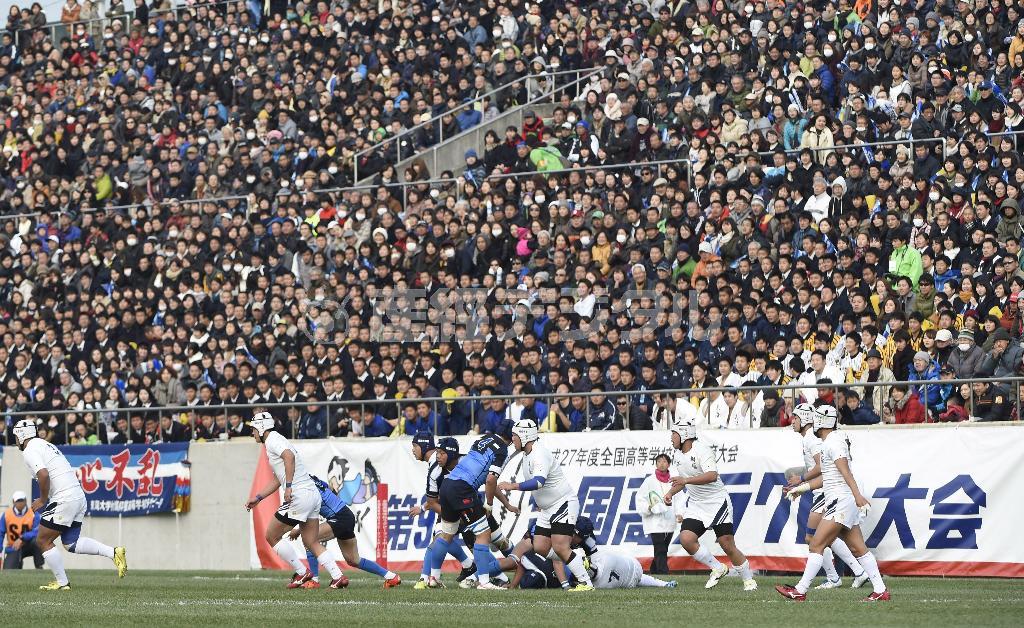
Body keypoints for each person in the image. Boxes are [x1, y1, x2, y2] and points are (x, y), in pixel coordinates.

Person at [778, 405, 890, 602]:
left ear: (820, 421)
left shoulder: (832, 443)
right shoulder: (830, 441)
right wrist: (800, 489)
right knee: (858, 549)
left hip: (840, 501)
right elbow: (828, 477)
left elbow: (845, 472)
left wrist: (857, 495)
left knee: (816, 544)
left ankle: (800, 590)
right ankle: (880, 590)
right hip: (841, 500)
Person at [11, 419, 127, 590]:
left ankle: (62, 582)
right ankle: (114, 552)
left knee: (42, 540)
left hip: (65, 497)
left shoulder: (30, 449)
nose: (15, 440)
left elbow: (43, 474)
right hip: (77, 496)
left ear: (22, 435)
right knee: (71, 543)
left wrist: (42, 499)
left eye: (15, 436)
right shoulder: (44, 444)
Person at [244, 412, 344, 589]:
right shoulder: (274, 441)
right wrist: (259, 498)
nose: (252, 433)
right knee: (311, 541)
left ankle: (301, 571)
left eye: (253, 429)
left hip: (300, 494)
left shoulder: (273, 439)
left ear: (261, 427)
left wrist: (289, 487)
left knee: (271, 535)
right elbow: (278, 479)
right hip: (311, 495)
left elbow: (289, 456)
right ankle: (338, 576)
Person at [498, 419, 594, 592]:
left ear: (525, 436)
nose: (512, 439)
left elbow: (539, 482)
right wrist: (539, 503)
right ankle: (577, 559)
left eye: (514, 435)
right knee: (540, 546)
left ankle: (585, 582)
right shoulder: (527, 454)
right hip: (548, 508)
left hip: (562, 503)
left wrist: (512, 486)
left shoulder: (539, 453)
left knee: (560, 546)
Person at [664, 422, 757, 592]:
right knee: (686, 539)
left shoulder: (702, 450)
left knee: (727, 544)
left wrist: (685, 481)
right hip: (696, 504)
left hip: (717, 501)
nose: (671, 438)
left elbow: (712, 476)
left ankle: (748, 580)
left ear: (684, 435)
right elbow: (682, 481)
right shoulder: (677, 455)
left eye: (674, 433)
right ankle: (718, 568)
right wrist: (670, 492)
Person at [789, 403, 868, 589]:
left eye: (796, 418)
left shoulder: (813, 440)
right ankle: (857, 573)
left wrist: (801, 481)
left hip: (829, 493)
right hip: (827, 492)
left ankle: (838, 576)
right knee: (824, 539)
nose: (792, 421)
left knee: (814, 539)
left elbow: (822, 468)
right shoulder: (810, 439)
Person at [432, 419, 519, 590]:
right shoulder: (502, 450)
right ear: (510, 436)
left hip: (448, 486)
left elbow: (489, 482)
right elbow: (490, 479)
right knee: (484, 534)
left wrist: (506, 505)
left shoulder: (483, 439)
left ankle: (432, 578)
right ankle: (484, 582)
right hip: (463, 489)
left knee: (447, 535)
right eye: (515, 435)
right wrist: (489, 504)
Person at [291, 474, 400, 589]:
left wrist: (298, 530)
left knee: (310, 541)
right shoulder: (311, 478)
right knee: (353, 560)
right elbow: (330, 489)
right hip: (346, 515)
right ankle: (391, 576)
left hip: (339, 518)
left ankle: (314, 581)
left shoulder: (302, 485)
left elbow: (308, 507)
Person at [409, 433, 476, 589]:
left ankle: (428, 578)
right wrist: (423, 507)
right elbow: (436, 497)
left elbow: (437, 498)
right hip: (456, 507)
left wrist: (450, 514)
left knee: (444, 539)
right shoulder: (436, 465)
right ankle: (429, 577)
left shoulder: (437, 466)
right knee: (441, 538)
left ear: (424, 446)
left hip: (466, 507)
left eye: (414, 446)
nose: (412, 450)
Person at [634, 453, 677, 574]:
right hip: (654, 520)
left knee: (663, 548)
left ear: (668, 464)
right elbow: (640, 497)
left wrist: (680, 513)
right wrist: (648, 507)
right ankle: (663, 572)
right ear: (656, 464)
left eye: (664, 462)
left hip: (669, 519)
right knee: (660, 547)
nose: (661, 464)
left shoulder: (674, 480)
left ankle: (654, 569)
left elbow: (679, 497)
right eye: (659, 462)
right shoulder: (649, 481)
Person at [588, 549, 677, 589]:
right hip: (634, 566)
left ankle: (663, 584)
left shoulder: (599, 585)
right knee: (636, 576)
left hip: (629, 580)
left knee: (635, 577)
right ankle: (664, 584)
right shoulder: (604, 558)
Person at [1, 490, 43, 569]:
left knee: (37, 541)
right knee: (9, 570)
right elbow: (1, 532)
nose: (20, 503)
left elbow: (38, 531)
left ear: (26, 501)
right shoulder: (6, 514)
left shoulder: (33, 513)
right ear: (13, 502)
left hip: (28, 544)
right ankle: (18, 564)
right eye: (18, 501)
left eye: (22, 500)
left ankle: (39, 566)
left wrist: (22, 538)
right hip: (13, 547)